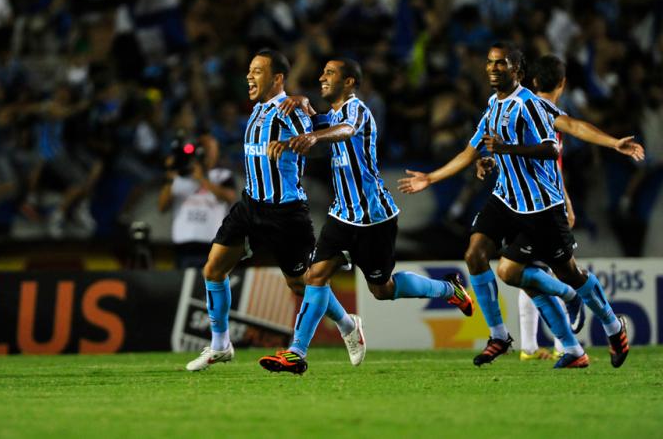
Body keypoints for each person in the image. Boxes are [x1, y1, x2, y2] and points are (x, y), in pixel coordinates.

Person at [398, 42, 632, 369]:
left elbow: (551, 149)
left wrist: (507, 149)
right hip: (506, 200)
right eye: (490, 63)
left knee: (566, 273)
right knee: (475, 255)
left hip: (540, 207)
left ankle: (611, 324)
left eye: (501, 64)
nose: (493, 69)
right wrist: (432, 178)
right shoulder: (493, 105)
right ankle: (498, 335)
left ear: (517, 71)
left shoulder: (530, 105)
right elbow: (471, 150)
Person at [257, 58, 473, 375]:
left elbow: (345, 130)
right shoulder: (331, 116)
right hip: (342, 215)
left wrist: (315, 135)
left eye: (329, 73)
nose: (322, 77)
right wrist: (303, 106)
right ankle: (296, 353)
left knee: (382, 289)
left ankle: (448, 290)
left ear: (349, 83)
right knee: (314, 277)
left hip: (374, 217)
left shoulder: (358, 109)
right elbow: (318, 125)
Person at [185, 49, 362, 372]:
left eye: (257, 71)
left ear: (277, 77)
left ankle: (348, 324)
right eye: (249, 70)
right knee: (213, 269)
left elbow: (321, 134)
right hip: (250, 204)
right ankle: (220, 345)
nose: (249, 77)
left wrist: (306, 109)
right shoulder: (256, 112)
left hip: (285, 211)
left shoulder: (288, 110)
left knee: (302, 284)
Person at [482, 54, 644, 361]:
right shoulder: (504, 105)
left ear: (528, 78)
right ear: (563, 83)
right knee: (513, 270)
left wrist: (611, 144)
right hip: (515, 205)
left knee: (565, 272)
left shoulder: (538, 108)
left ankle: (605, 326)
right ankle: (557, 341)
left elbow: (569, 129)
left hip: (543, 207)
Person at [158, 134, 236, 269]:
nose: (209, 154)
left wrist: (201, 179)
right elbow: (162, 206)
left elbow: (229, 197)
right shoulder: (179, 176)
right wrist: (170, 175)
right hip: (183, 245)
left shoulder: (222, 175)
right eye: (206, 149)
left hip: (212, 244)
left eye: (213, 149)